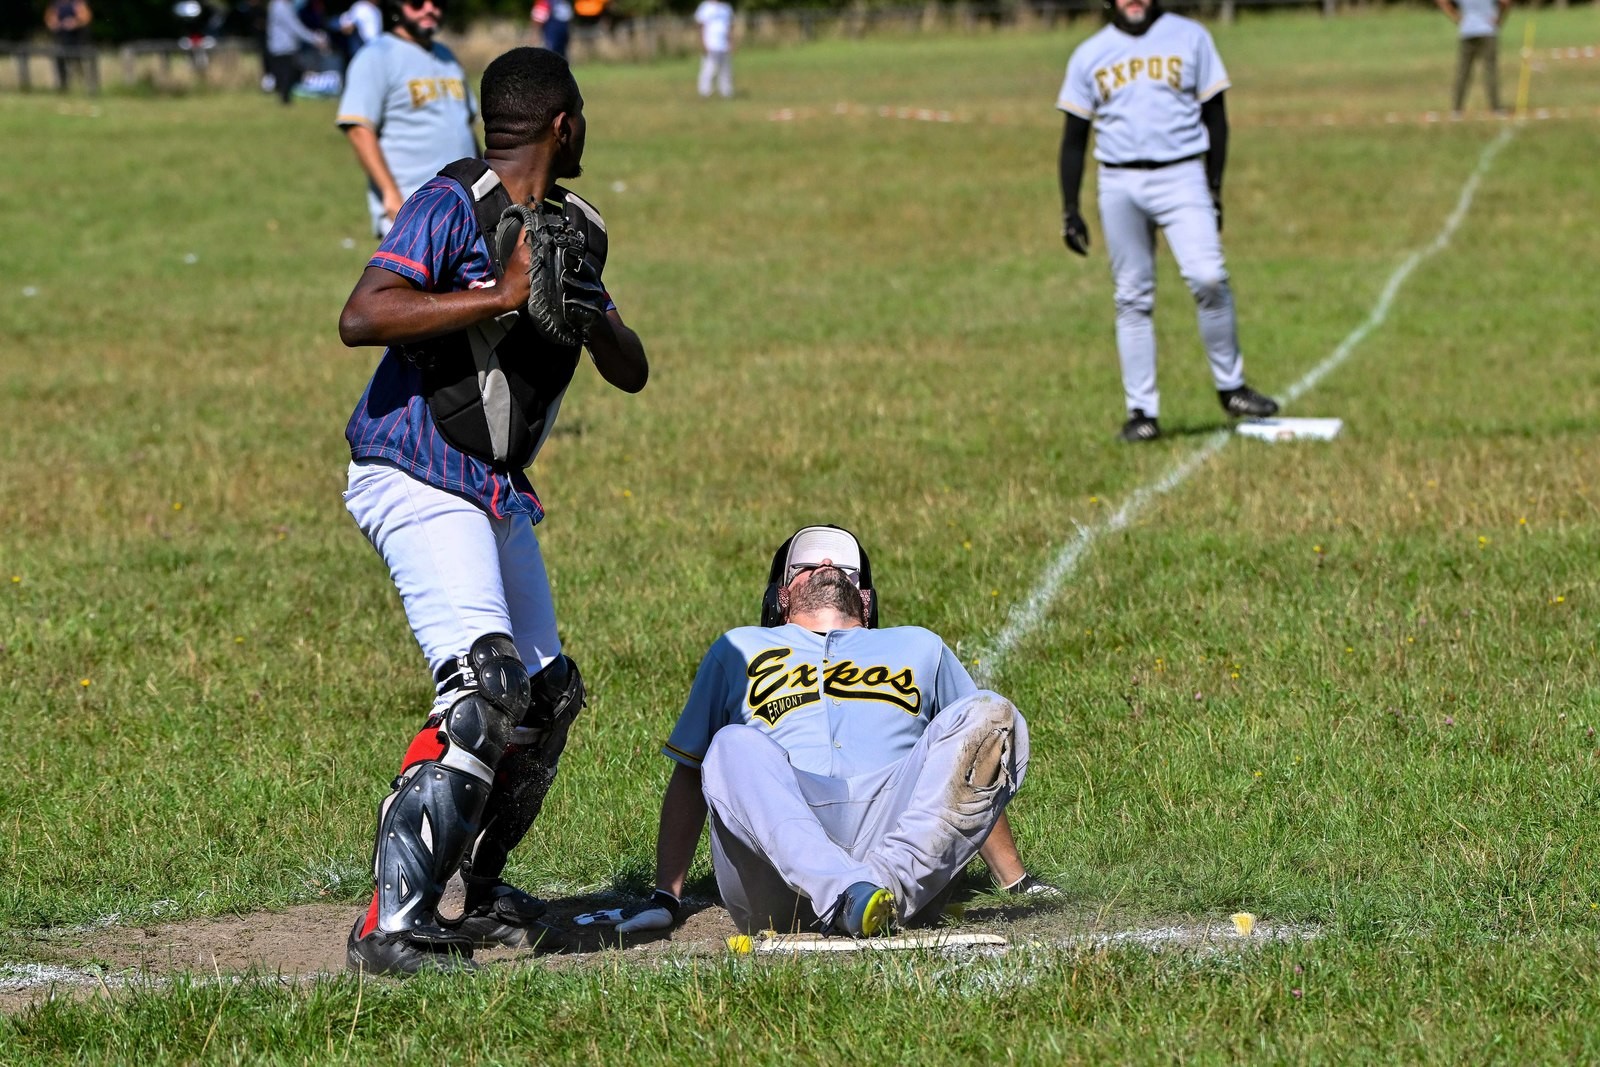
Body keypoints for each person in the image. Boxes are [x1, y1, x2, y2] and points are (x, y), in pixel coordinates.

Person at [337, 45, 650, 975]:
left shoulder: (571, 230)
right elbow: (363, 312)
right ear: (564, 124)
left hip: (491, 487)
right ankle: (391, 922)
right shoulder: (452, 202)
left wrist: (589, 314)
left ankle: (475, 889)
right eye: (583, 113)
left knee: (544, 698)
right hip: (414, 468)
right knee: (484, 685)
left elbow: (631, 370)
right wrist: (497, 295)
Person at [578, 525, 1048, 942]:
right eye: (805, 565)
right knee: (730, 744)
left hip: (896, 832)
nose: (825, 565)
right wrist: (666, 897)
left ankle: (875, 892)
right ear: (783, 596)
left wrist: (1015, 880)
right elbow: (690, 775)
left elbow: (971, 763)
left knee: (989, 712)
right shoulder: (737, 647)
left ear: (864, 598)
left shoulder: (921, 644)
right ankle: (849, 892)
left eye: (842, 565)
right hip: (777, 863)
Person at [1056, 0, 1278, 444]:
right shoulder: (1089, 53)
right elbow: (1074, 138)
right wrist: (1070, 209)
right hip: (1119, 180)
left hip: (1181, 174)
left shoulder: (1190, 37)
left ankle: (1231, 388)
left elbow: (1216, 116)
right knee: (1132, 296)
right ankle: (1142, 411)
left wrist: (1214, 187)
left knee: (1209, 277)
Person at [336, 0, 478, 239]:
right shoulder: (375, 56)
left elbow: (466, 126)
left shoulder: (447, 57)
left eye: (438, 3)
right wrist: (390, 195)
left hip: (466, 208)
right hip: (412, 211)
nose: (430, 9)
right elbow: (359, 128)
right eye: (418, 2)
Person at [1435, 0, 1511, 117]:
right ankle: (1496, 107)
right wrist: (1499, 18)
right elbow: (1505, 2)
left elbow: (1442, 2)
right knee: (1490, 71)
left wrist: (1456, 17)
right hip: (1488, 30)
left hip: (1467, 30)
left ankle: (1457, 109)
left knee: (1463, 71)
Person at [264, 0, 328, 103]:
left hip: (282, 47)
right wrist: (314, 39)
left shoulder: (281, 5)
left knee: (286, 78)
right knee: (286, 78)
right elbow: (295, 27)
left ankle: (285, 102)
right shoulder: (280, 7)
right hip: (283, 48)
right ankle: (285, 102)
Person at [44, 0, 92, 91]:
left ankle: (82, 83)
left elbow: (85, 18)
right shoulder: (56, 4)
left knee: (78, 62)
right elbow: (49, 20)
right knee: (60, 61)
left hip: (77, 40)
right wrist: (55, 24)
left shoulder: (78, 3)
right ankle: (63, 85)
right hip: (61, 41)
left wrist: (74, 23)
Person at [693, 0, 734, 100]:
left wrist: (731, 42)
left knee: (725, 71)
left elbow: (729, 27)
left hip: (723, 45)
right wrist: (703, 42)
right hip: (710, 44)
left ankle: (726, 92)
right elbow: (700, 25)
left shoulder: (726, 8)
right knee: (708, 70)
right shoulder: (705, 6)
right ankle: (704, 92)